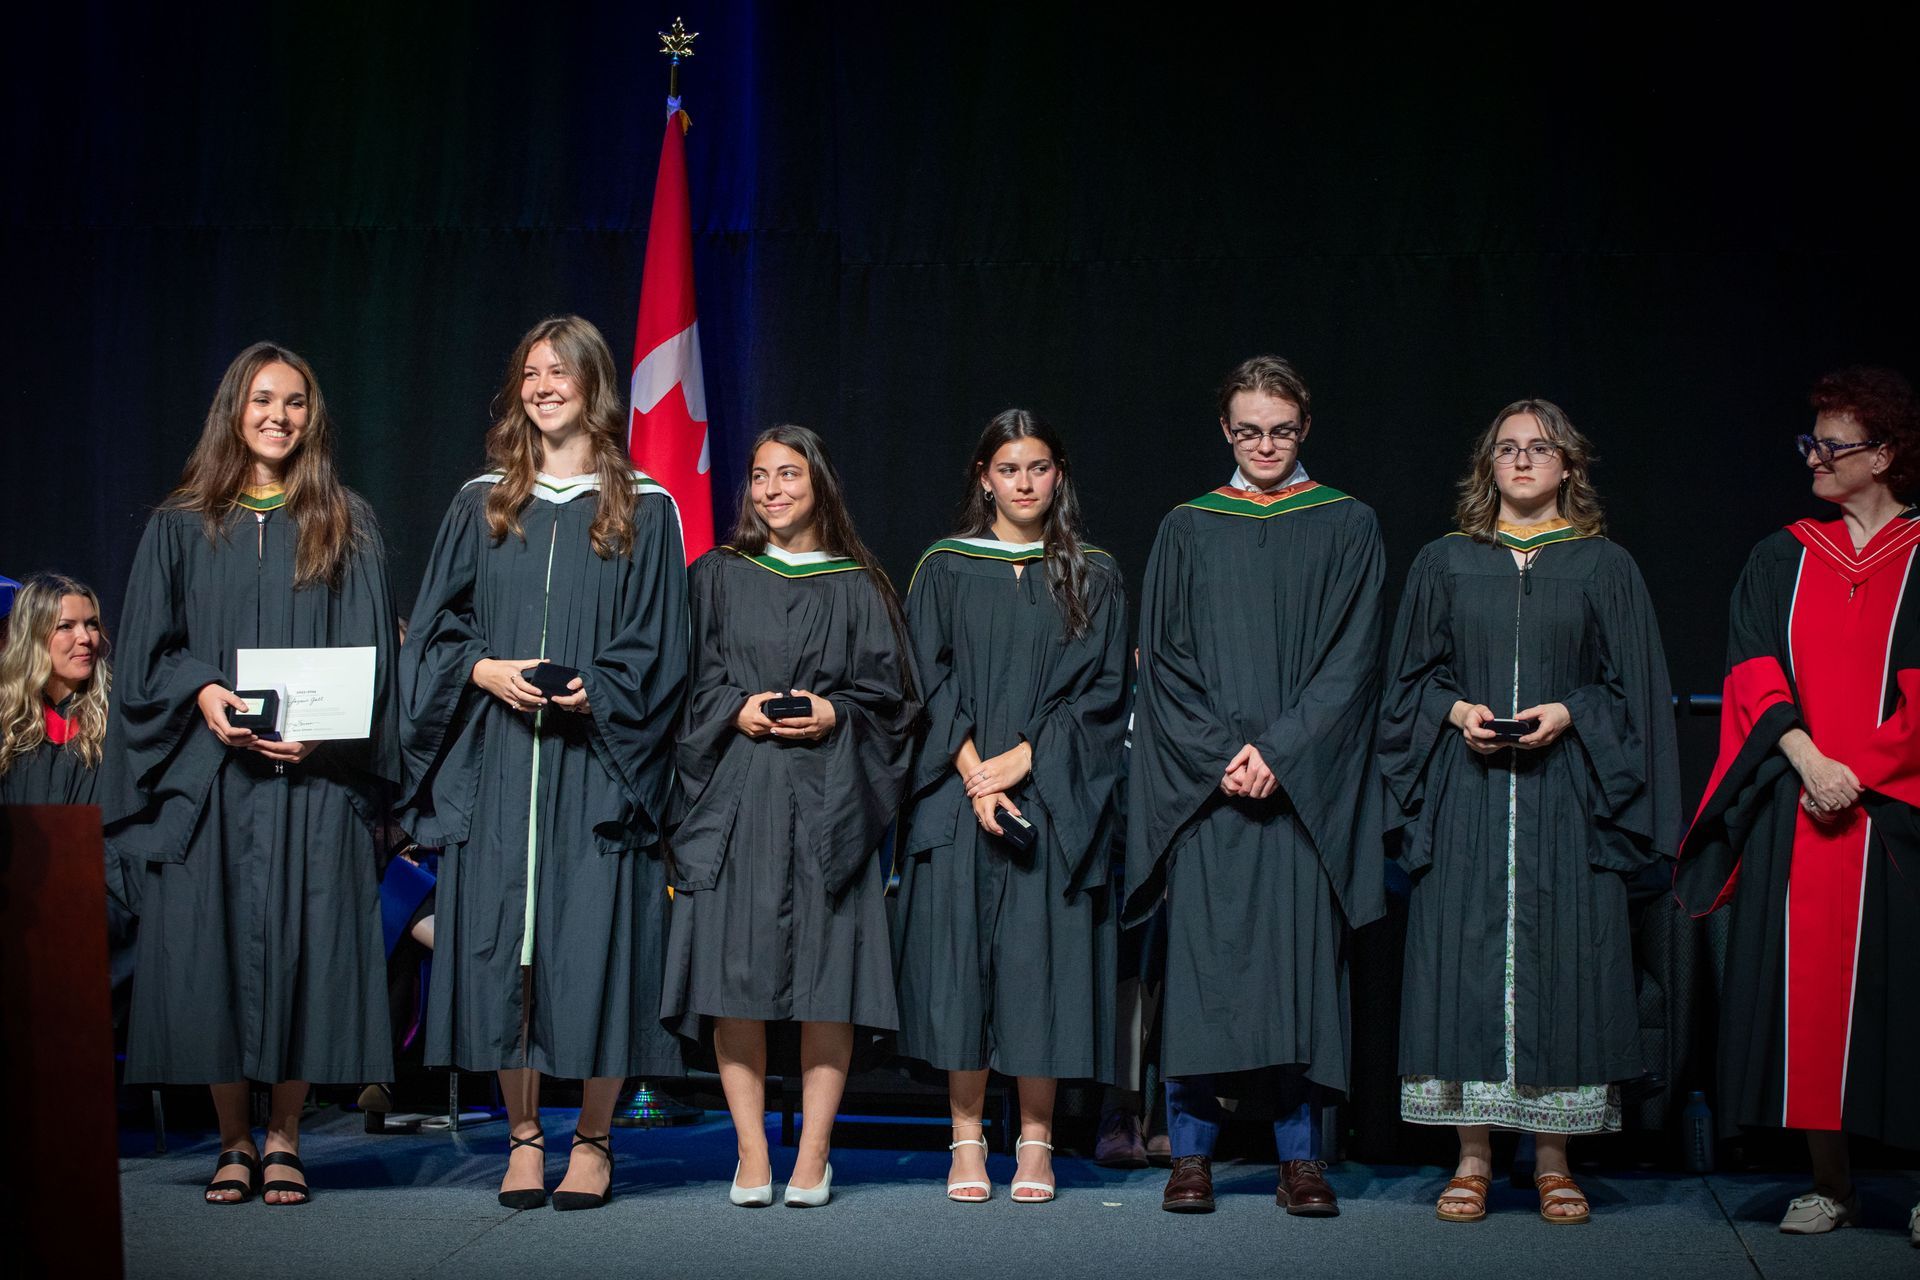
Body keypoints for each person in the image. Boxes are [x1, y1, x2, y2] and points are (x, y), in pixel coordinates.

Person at [400, 315, 688, 1212]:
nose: (542, 385)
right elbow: (436, 631)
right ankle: (524, 1137)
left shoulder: (646, 505)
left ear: (596, 384)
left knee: (598, 952)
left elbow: (663, 646)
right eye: (530, 372)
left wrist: (594, 691)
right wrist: (484, 670)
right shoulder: (481, 502)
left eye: (560, 371)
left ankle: (593, 1141)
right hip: (495, 760)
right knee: (499, 956)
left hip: (597, 768)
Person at [102, 342, 400, 1206]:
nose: (279, 416)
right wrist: (201, 691)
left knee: (307, 952)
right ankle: (233, 1140)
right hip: (215, 783)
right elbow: (152, 653)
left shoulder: (344, 521)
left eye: (297, 402)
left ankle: (285, 1139)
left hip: (314, 783)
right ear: (235, 409)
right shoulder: (182, 525)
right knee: (213, 955)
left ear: (314, 417)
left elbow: (373, 656)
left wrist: (322, 729)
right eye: (264, 399)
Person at [1380, 399, 1681, 1224]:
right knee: (1462, 968)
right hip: (1466, 798)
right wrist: (1455, 715)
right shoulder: (1443, 562)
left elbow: (1636, 694)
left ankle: (1554, 1162)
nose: (1522, 461)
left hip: (1568, 800)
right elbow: (1408, 684)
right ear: (1488, 467)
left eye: (1539, 449)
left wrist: (1572, 711)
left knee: (1567, 967)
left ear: (1568, 467)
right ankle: (1472, 1159)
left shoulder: (1604, 565)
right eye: (1507, 449)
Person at [1125, 355, 1387, 1215]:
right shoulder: (1188, 526)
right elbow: (1162, 662)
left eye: (1280, 429)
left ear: (1303, 428)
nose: (1265, 444)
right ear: (1227, 433)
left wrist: (1280, 751)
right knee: (1203, 973)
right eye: (1248, 431)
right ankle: (1190, 1155)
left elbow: (1352, 663)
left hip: (1302, 793)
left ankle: (1301, 1159)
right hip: (1211, 791)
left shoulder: (1347, 525)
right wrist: (1221, 756)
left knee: (1301, 972)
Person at [1677, 366, 1920, 1247]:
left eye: (1834, 443)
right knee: (1807, 997)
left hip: (1899, 816)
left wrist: (1863, 768)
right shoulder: (1782, 555)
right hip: (1803, 806)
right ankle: (1830, 1183)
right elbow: (1751, 673)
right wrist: (1812, 760)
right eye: (1810, 441)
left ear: (1885, 454)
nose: (1815, 456)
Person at [663, 424, 918, 1209]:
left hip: (830, 807)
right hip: (738, 800)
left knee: (825, 986)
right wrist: (732, 710)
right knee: (735, 983)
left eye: (790, 476)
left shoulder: (861, 584)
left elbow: (897, 706)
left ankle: (813, 1155)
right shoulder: (716, 576)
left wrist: (834, 713)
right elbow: (679, 687)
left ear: (820, 486)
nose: (773, 490)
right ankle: (749, 1153)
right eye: (761, 477)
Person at [892, 409, 1129, 1203]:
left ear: (1058, 474)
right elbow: (926, 680)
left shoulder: (1094, 572)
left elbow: (1101, 693)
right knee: (962, 970)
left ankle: (1035, 1140)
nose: (1023, 483)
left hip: (1052, 799)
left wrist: (1022, 762)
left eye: (1038, 468)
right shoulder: (946, 565)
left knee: (1041, 969)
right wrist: (975, 775)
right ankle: (965, 1137)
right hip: (961, 799)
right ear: (984, 478)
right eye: (1007, 469)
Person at [0, 573, 111, 805]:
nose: (85, 638)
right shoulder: (8, 720)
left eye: (91, 624)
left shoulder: (117, 718)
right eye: (66, 626)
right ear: (33, 637)